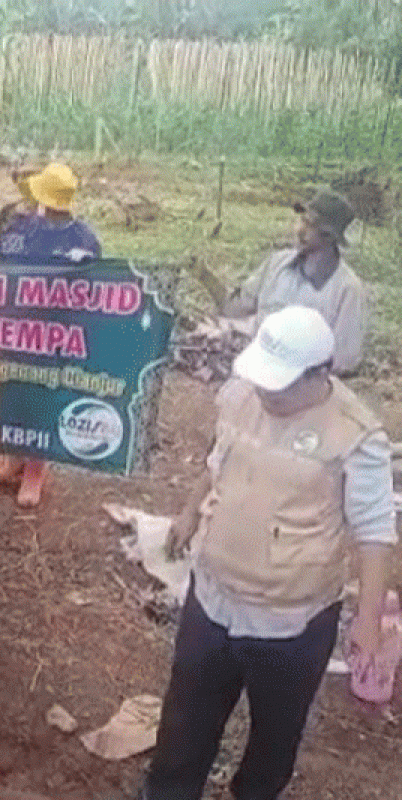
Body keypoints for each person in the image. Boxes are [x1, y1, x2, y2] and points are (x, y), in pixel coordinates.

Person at [143, 305, 395, 800]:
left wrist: (367, 621)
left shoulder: (356, 434)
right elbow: (220, 460)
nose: (265, 392)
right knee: (185, 720)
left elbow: (374, 532)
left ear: (318, 374)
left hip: (290, 622)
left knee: (274, 736)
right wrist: (191, 510)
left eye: (278, 384)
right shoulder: (242, 394)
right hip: (212, 599)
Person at [0, 162, 101, 507]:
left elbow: (94, 286)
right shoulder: (23, 228)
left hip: (53, 334)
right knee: (12, 389)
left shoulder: (83, 240)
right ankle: (11, 462)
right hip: (16, 329)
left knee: (40, 396)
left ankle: (35, 471)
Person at [198, 189, 365, 375]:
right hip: (255, 374)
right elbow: (233, 308)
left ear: (330, 236)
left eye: (311, 225)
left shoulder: (347, 289)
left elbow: (343, 361)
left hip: (304, 389)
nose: (299, 230)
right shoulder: (276, 263)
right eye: (302, 220)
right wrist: (205, 276)